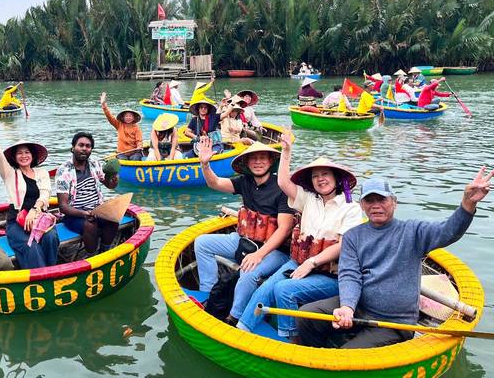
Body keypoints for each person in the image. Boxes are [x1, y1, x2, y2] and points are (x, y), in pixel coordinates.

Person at [298, 168, 492, 349]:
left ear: (394, 202)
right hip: (359, 308)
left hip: (394, 322)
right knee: (306, 316)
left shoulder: (413, 231)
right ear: (362, 205)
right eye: (369, 200)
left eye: (381, 200)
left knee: (349, 354)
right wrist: (347, 307)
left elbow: (448, 232)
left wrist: (468, 204)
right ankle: (317, 355)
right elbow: (350, 275)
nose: (376, 206)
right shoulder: (352, 237)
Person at [236, 131, 363, 341]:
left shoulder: (351, 208)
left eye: (325, 175)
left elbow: (342, 245)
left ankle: (289, 339)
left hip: (331, 274)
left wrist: (311, 263)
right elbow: (284, 183)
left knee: (283, 289)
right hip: (299, 262)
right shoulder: (309, 200)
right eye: (315, 176)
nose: (320, 179)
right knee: (265, 289)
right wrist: (286, 151)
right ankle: (241, 329)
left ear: (336, 178)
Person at [195, 137, 295, 325]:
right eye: (253, 158)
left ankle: (234, 317)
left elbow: (284, 229)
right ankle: (209, 296)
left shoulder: (282, 188)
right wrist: (205, 164)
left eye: (263, 158)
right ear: (247, 163)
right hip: (244, 240)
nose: (258, 162)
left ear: (271, 161)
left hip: (273, 250)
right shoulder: (245, 182)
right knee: (202, 243)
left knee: (248, 273)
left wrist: (259, 255)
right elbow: (215, 183)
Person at [0, 117, 60, 269]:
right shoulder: (10, 174)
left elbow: (45, 194)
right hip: (17, 220)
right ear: (15, 158)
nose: (24, 156)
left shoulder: (41, 172)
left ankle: (51, 270)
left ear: (32, 155)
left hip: (40, 217)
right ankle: (40, 277)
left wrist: (34, 210)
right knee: (31, 247)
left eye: (27, 152)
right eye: (20, 153)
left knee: (51, 238)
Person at [56, 132, 119, 257]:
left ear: (91, 149)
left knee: (113, 219)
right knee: (90, 224)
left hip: (97, 209)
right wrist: (84, 214)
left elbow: (108, 185)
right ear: (73, 148)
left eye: (88, 146)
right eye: (81, 145)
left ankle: (105, 251)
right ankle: (92, 255)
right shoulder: (64, 170)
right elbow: (63, 206)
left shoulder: (95, 164)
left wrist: (113, 181)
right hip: (74, 214)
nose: (84, 148)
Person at [100, 92, 143, 160]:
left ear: (133, 118)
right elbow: (110, 117)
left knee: (136, 158)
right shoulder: (119, 124)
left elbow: (139, 140)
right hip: (121, 153)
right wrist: (104, 105)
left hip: (134, 152)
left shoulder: (137, 128)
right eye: (126, 116)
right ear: (123, 117)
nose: (128, 118)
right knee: (121, 160)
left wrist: (139, 146)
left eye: (130, 116)